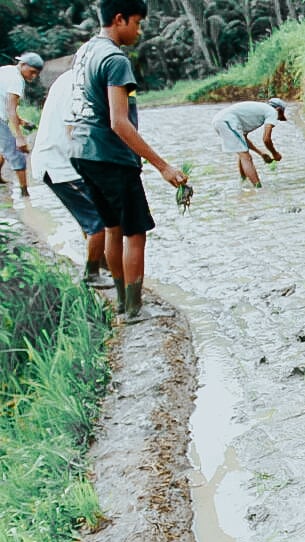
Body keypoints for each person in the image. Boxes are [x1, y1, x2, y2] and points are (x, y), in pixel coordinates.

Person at [68, 0, 188, 322]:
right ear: (119, 19)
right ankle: (135, 309)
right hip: (110, 155)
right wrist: (163, 166)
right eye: (137, 22)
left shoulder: (86, 51)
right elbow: (119, 122)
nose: (139, 30)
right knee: (135, 231)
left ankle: (122, 303)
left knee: (112, 226)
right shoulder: (115, 59)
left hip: (82, 151)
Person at [31, 69, 113, 289]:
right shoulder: (80, 85)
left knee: (90, 217)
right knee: (100, 220)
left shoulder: (71, 78)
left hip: (59, 160)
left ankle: (103, 263)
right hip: (59, 164)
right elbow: (74, 130)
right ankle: (92, 274)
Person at [211, 98, 286, 188]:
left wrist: (261, 153)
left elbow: (244, 141)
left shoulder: (258, 110)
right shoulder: (272, 111)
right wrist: (275, 153)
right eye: (279, 116)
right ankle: (258, 188)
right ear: (279, 109)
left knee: (243, 153)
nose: (276, 120)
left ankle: (243, 181)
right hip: (226, 121)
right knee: (246, 157)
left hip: (220, 120)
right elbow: (266, 139)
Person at [0, 52, 44, 196]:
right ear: (23, 64)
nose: (33, 76)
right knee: (17, 154)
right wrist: (19, 138)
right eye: (32, 72)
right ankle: (25, 194)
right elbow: (10, 109)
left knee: (4, 148)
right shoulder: (16, 80)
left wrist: (22, 122)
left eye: (36, 74)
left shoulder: (6, 70)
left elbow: (7, 106)